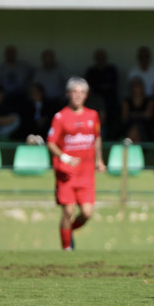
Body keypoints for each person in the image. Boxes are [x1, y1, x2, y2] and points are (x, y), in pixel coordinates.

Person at [46, 77, 106, 251]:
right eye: (75, 91)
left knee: (87, 213)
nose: (78, 95)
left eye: (82, 92)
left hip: (86, 175)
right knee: (68, 211)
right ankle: (66, 248)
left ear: (86, 95)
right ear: (68, 94)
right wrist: (63, 157)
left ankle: (67, 231)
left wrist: (99, 159)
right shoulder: (60, 117)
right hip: (66, 173)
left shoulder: (93, 115)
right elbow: (51, 142)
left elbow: (97, 138)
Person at [84, 48, 121, 138]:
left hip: (110, 102)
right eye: (98, 57)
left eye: (102, 56)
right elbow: (90, 87)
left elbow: (112, 86)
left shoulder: (111, 70)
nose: (100, 58)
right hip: (94, 102)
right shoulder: (91, 71)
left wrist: (98, 86)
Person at [121, 77, 154, 143]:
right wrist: (141, 114)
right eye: (134, 86)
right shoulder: (127, 101)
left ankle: (129, 146)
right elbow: (124, 117)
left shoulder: (149, 100)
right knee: (134, 127)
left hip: (146, 126)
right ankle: (137, 150)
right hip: (129, 125)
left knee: (138, 127)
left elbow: (148, 115)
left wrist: (133, 114)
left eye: (138, 86)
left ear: (142, 87)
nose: (136, 89)